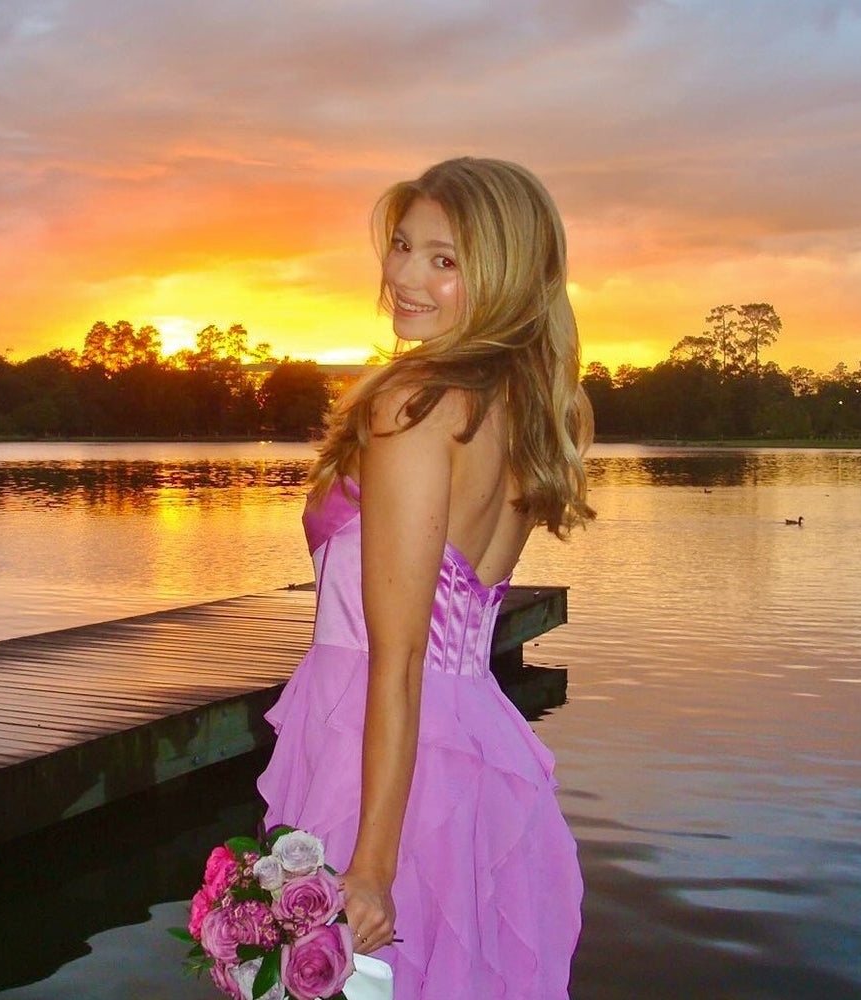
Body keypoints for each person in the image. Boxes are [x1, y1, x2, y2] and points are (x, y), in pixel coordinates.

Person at [257, 156, 593, 999]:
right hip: (471, 747)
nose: (403, 276)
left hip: (379, 752)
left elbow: (396, 658)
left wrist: (371, 867)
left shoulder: (413, 406)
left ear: (509, 275)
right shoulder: (535, 405)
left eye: (444, 260)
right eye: (403, 246)